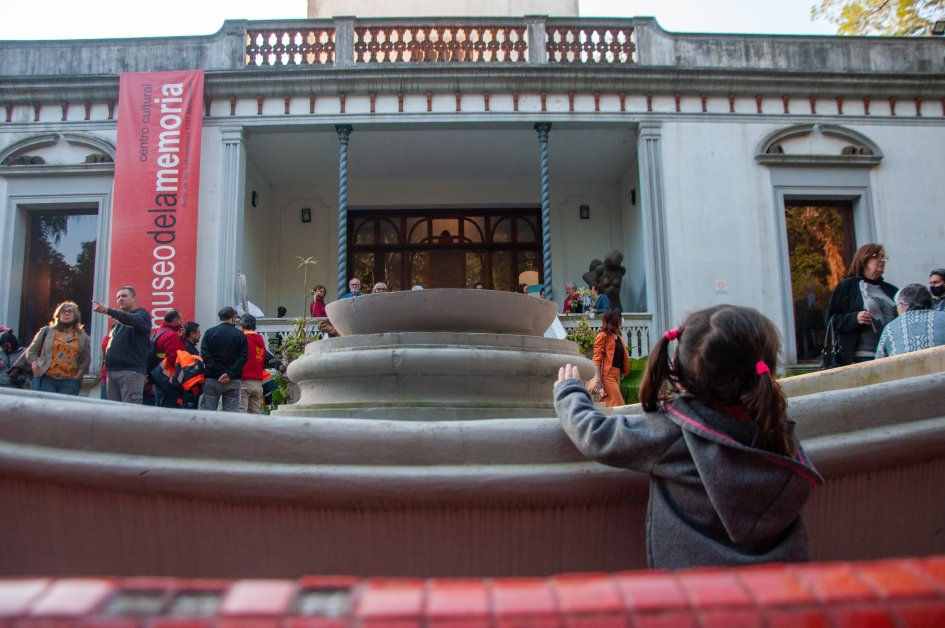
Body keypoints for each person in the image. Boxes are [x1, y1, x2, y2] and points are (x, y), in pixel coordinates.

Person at [554, 304, 823, 569]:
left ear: (679, 376)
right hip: (784, 584)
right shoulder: (779, 432)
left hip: (694, 590)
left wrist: (570, 392)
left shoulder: (675, 433)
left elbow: (596, 435)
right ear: (769, 373)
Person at [824, 244, 898, 365]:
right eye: (876, 256)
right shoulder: (847, 287)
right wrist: (854, 319)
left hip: (891, 354)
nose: (881, 260)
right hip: (862, 356)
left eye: (883, 257)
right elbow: (830, 322)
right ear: (863, 260)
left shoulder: (891, 290)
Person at [93, 286, 151, 403]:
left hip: (131, 372)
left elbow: (131, 320)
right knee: (114, 412)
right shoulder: (115, 324)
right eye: (118, 297)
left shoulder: (142, 314)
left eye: (124, 296)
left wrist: (109, 311)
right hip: (112, 372)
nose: (120, 299)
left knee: (130, 412)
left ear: (134, 298)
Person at [25, 302, 91, 396]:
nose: (66, 313)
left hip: (70, 382)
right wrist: (35, 368)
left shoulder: (83, 337)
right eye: (63, 311)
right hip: (47, 379)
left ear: (75, 316)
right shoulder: (47, 331)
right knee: (46, 404)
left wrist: (77, 376)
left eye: (69, 311)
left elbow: (86, 359)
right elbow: (31, 351)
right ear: (58, 315)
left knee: (65, 405)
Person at [875, 284, 945, 358]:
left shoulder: (890, 328)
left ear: (902, 305)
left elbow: (879, 360)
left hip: (903, 365)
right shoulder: (943, 317)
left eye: (897, 306)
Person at [200, 306, 248, 412]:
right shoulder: (240, 335)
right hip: (233, 379)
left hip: (213, 378)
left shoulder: (209, 333)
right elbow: (243, 357)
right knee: (230, 415)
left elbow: (205, 355)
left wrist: (220, 372)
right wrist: (229, 373)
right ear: (233, 318)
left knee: (209, 413)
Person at [590, 307, 629, 407]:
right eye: (619, 318)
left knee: (609, 402)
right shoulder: (603, 336)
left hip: (616, 374)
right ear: (615, 320)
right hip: (607, 375)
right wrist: (598, 379)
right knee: (619, 404)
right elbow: (597, 358)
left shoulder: (618, 336)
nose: (621, 321)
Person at [151, 309, 184, 408]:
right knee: (169, 408)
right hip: (168, 379)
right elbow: (172, 357)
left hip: (159, 376)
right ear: (175, 320)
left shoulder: (158, 331)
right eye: (181, 319)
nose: (182, 322)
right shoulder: (171, 334)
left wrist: (181, 340)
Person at [237, 314, 267, 414]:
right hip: (257, 382)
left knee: (241, 412)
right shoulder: (260, 341)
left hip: (244, 381)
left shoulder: (242, 339)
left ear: (242, 326)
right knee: (256, 412)